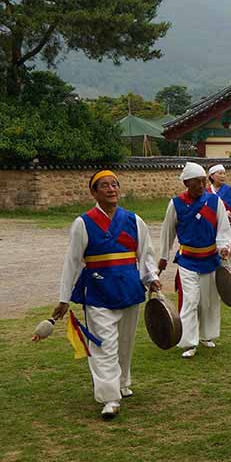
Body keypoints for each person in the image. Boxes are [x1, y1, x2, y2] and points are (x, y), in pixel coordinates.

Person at [40, 170, 160, 419]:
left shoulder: (134, 220)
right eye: (104, 185)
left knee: (125, 343)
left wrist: (152, 279)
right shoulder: (83, 223)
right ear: (93, 192)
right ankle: (110, 397)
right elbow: (72, 262)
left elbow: (146, 255)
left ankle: (123, 382)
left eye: (114, 184)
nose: (111, 189)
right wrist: (64, 298)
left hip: (129, 289)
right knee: (103, 344)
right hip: (97, 291)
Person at [158, 162, 231, 358]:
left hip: (210, 258)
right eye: (196, 182)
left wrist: (224, 246)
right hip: (187, 259)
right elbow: (168, 232)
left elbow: (223, 228)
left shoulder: (215, 202)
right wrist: (163, 256)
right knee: (191, 300)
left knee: (208, 301)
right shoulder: (176, 204)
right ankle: (188, 341)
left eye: (203, 181)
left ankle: (206, 336)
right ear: (186, 183)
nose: (201, 185)